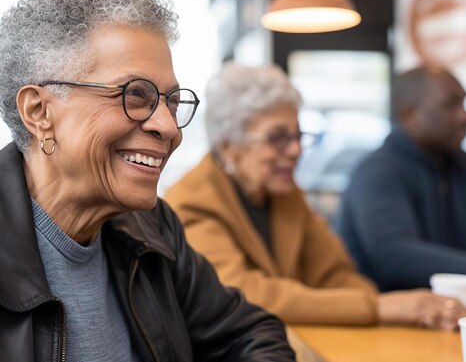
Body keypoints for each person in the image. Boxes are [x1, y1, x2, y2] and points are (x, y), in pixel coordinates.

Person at [0, 0, 295, 362]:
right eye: (135, 95)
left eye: (172, 101)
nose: (168, 127)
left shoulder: (151, 229)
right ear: (39, 112)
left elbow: (251, 335)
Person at [165, 62, 466, 329]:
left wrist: (372, 306)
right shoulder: (191, 202)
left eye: (298, 136)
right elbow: (241, 292)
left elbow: (336, 274)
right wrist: (377, 307)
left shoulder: (284, 195)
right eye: (278, 138)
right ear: (229, 146)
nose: (296, 150)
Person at [336, 65, 466, 291]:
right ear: (409, 115)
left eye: (462, 103)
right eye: (449, 106)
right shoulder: (378, 172)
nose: (462, 116)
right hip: (384, 317)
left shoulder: (456, 164)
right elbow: (394, 256)